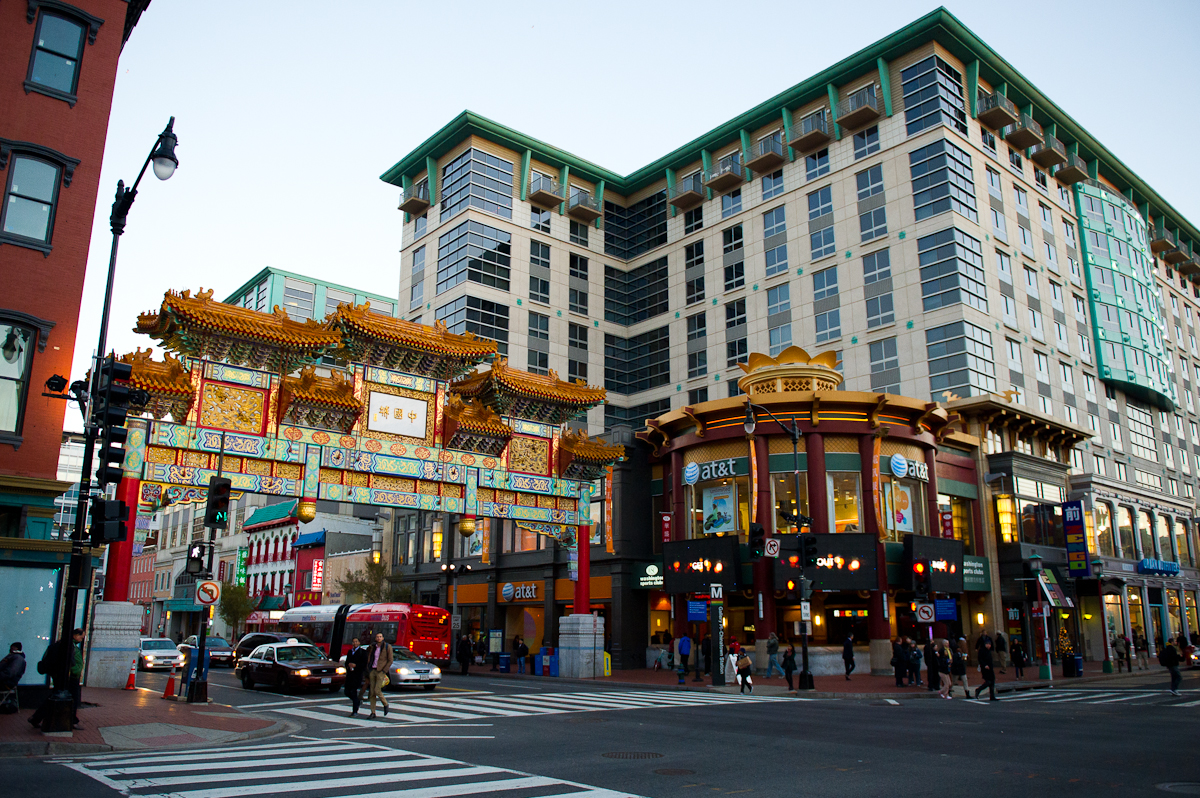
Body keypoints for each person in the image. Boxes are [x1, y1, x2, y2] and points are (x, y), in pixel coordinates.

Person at [29, 629, 84, 730]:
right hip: (69, 677)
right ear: (75, 635)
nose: (81, 639)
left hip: (58, 675)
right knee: (72, 699)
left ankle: (36, 717)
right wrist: (76, 672)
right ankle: (72, 720)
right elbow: (71, 663)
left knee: (55, 696)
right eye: (81, 637)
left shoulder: (57, 645)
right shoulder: (69, 647)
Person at [366, 632, 392, 719]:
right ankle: (373, 712)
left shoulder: (387, 647)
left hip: (380, 671)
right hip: (372, 670)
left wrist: (384, 670)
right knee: (372, 693)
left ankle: (385, 704)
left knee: (377, 690)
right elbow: (369, 655)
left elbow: (390, 660)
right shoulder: (373, 647)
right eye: (377, 637)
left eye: (380, 637)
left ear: (383, 638)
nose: (379, 638)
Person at [343, 637, 368, 717]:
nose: (355, 643)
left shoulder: (362, 652)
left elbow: (364, 664)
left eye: (356, 642)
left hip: (357, 675)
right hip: (350, 674)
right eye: (353, 642)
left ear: (359, 643)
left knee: (353, 692)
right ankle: (357, 701)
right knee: (346, 691)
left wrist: (356, 666)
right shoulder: (350, 652)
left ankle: (355, 711)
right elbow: (346, 662)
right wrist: (348, 665)